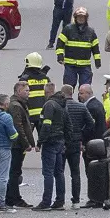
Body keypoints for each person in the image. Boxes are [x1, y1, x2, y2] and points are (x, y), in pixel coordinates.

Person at [33, 82, 67, 211]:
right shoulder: (61, 104)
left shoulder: (49, 105)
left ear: (47, 92)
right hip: (60, 141)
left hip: (50, 142)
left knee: (48, 173)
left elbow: (46, 125)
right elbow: (67, 124)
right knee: (59, 173)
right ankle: (60, 201)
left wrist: (40, 142)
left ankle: (46, 202)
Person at [63, 84, 95, 210]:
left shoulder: (60, 107)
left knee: (59, 172)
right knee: (75, 173)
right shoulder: (81, 107)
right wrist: (81, 134)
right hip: (76, 142)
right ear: (72, 93)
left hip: (63, 142)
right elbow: (91, 123)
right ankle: (76, 201)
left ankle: (59, 199)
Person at [6, 81, 37, 209]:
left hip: (18, 144)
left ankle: (11, 197)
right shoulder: (16, 106)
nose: (28, 93)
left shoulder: (19, 104)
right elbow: (18, 126)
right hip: (17, 145)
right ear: (18, 91)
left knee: (15, 171)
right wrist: (26, 143)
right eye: (26, 91)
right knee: (15, 172)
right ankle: (13, 198)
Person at [56, 6, 101, 87]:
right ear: (75, 18)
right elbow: (60, 43)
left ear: (86, 18)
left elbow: (95, 48)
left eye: (83, 17)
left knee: (85, 88)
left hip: (85, 66)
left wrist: (97, 61)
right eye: (79, 17)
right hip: (70, 64)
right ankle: (68, 100)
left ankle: (84, 100)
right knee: (68, 87)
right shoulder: (68, 29)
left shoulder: (91, 32)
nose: (81, 19)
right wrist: (60, 56)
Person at [79, 84, 108, 208]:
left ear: (88, 93)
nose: (79, 96)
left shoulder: (91, 107)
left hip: (93, 144)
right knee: (98, 171)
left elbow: (89, 127)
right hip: (100, 143)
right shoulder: (98, 104)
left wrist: (83, 142)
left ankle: (95, 198)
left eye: (81, 93)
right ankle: (100, 197)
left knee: (91, 171)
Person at [19, 51, 51, 126]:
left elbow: (19, 97)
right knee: (43, 137)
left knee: (27, 137)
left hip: (29, 116)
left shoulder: (25, 79)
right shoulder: (46, 79)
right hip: (43, 115)